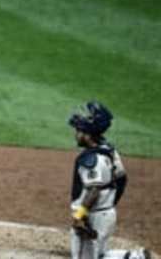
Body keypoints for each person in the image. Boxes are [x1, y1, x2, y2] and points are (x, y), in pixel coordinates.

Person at [68, 101, 150, 259]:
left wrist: (80, 215)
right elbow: (122, 179)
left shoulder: (91, 159)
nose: (76, 134)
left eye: (79, 131)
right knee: (99, 255)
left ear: (88, 134)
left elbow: (94, 190)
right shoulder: (108, 150)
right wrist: (109, 204)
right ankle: (135, 257)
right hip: (106, 213)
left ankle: (136, 257)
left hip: (93, 216)